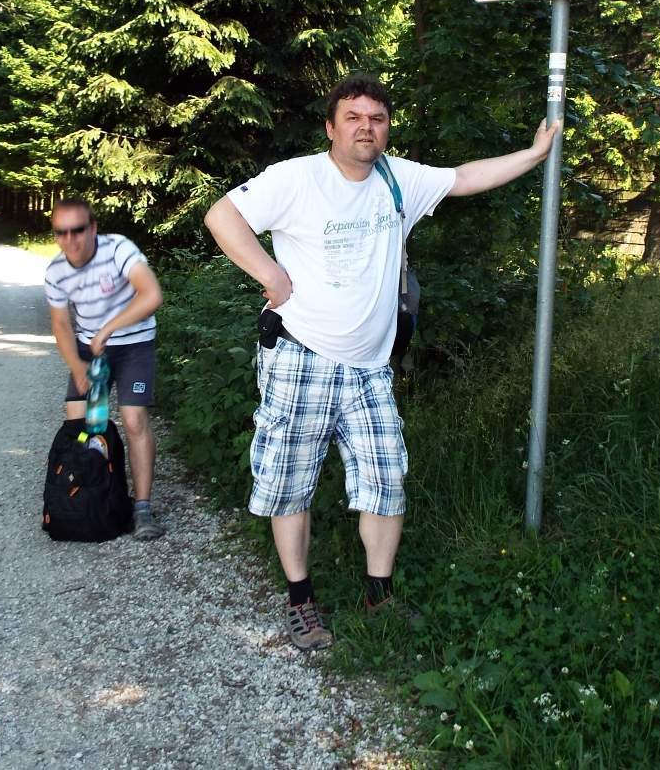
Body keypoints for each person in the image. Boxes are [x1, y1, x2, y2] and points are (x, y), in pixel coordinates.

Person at [203, 73, 560, 650]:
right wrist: (271, 274)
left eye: (376, 118)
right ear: (331, 127)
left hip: (371, 369)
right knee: (290, 484)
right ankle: (301, 602)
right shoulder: (298, 178)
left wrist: (536, 152)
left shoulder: (399, 179)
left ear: (386, 128)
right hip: (302, 357)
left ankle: (379, 596)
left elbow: (467, 177)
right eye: (353, 117)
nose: (365, 127)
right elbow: (222, 216)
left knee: (386, 478)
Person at [44, 198, 166, 540]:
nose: (71, 240)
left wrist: (109, 328)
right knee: (77, 423)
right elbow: (61, 326)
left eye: (78, 230)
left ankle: (142, 508)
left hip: (134, 344)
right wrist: (76, 366)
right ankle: (88, 496)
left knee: (133, 420)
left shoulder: (118, 250)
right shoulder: (55, 271)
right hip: (89, 348)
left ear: (93, 228)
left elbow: (151, 294)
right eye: (61, 233)